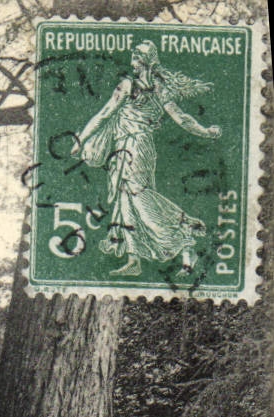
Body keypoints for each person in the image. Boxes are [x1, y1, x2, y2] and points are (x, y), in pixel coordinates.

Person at [77, 40, 220, 276]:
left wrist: (80, 139)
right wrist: (205, 131)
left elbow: (104, 114)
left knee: (138, 197)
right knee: (127, 200)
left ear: (141, 61)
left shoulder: (128, 85)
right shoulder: (160, 89)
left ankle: (184, 230)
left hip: (133, 147)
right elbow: (182, 118)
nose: (132, 62)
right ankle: (134, 260)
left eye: (135, 57)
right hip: (136, 147)